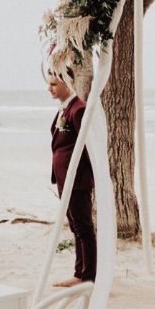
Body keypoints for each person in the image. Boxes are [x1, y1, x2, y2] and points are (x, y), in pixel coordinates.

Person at [48, 72, 97, 287]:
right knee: (76, 227)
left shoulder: (79, 109)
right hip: (64, 178)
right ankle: (80, 273)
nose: (49, 88)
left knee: (84, 227)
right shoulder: (65, 108)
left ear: (67, 83)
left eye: (53, 84)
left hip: (76, 179)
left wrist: (86, 178)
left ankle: (88, 276)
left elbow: (89, 148)